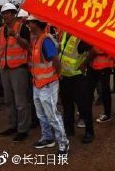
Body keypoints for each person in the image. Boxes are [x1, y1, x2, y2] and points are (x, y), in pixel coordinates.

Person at [27, 15, 69, 156]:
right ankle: (47, 137)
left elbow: (55, 60)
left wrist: (57, 75)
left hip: (48, 84)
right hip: (38, 83)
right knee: (41, 114)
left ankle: (63, 143)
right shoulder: (36, 40)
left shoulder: (45, 40)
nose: (28, 25)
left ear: (36, 24)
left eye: (30, 22)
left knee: (52, 115)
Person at [0, 3, 31, 142]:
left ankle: (23, 129)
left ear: (14, 14)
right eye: (4, 13)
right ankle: (12, 125)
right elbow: (0, 50)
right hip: (5, 68)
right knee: (9, 100)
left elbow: (27, 46)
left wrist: (16, 35)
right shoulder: (2, 30)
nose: (6, 16)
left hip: (18, 68)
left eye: (9, 13)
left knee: (21, 101)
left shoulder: (22, 28)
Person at [59, 32, 94, 144]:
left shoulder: (80, 36)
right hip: (65, 76)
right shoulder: (64, 33)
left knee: (83, 105)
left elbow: (94, 50)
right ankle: (69, 128)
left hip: (78, 76)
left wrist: (85, 64)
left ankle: (89, 131)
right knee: (67, 104)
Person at [85, 46, 114, 123]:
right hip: (96, 65)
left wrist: (86, 62)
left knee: (104, 90)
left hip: (103, 65)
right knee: (91, 90)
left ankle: (107, 114)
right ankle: (87, 113)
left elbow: (96, 50)